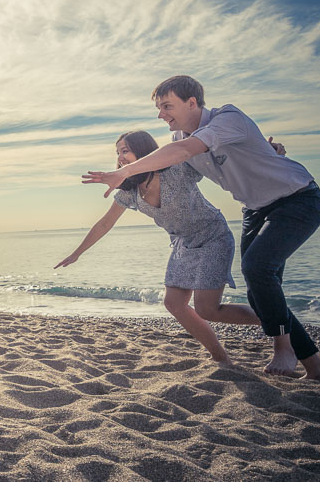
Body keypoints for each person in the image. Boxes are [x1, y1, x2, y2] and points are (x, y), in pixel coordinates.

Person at [82, 75, 320, 382]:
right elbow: (175, 156)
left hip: (297, 198)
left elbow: (189, 149)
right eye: (158, 108)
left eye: (167, 106)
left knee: (257, 268)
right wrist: (264, 148)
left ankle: (283, 347)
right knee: (262, 296)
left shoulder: (227, 118)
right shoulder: (177, 143)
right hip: (255, 210)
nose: (160, 114)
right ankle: (317, 369)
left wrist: (124, 172)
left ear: (192, 103)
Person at [57, 131, 260, 365]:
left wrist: (261, 151)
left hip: (213, 236)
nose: (120, 157)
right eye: (118, 153)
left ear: (143, 151)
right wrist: (77, 253)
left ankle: (274, 317)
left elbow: (216, 158)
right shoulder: (130, 191)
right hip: (183, 243)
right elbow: (105, 223)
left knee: (207, 309)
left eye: (125, 150)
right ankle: (220, 356)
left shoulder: (176, 170)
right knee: (173, 303)